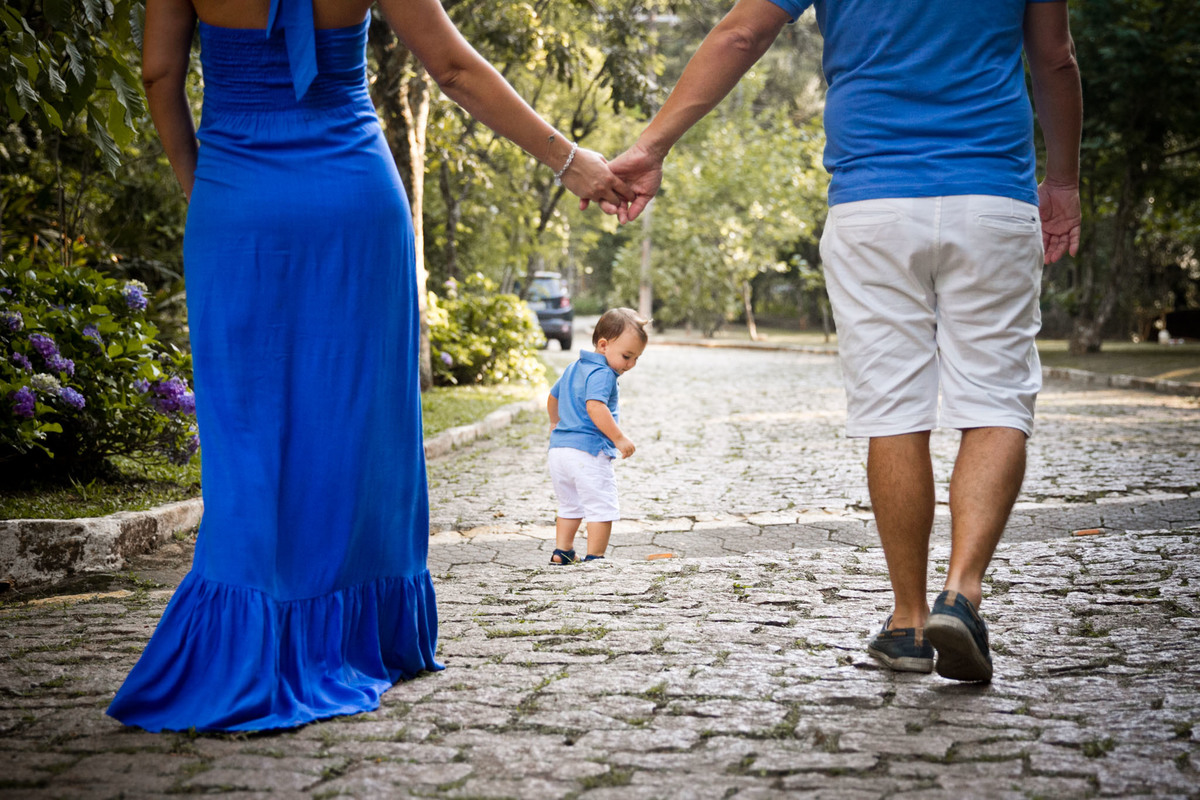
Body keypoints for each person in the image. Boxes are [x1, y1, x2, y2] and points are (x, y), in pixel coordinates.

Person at [107, 0, 632, 732]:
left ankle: (254, 631)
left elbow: (159, 72)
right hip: (352, 198)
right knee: (357, 425)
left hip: (238, 200)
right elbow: (452, 68)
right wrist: (572, 163)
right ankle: (364, 634)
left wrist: (205, 188)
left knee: (249, 428)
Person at [604, 0, 1082, 682]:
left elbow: (744, 31)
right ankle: (962, 594)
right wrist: (1061, 180)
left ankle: (910, 622)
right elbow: (1055, 58)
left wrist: (652, 145)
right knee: (997, 399)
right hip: (991, 197)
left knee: (894, 411)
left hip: (873, 204)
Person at [546, 308, 648, 564]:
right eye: (627, 356)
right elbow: (595, 406)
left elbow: (553, 396)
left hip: (559, 452)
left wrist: (554, 422)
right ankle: (596, 557)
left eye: (636, 358)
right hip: (588, 452)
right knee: (601, 505)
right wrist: (619, 438)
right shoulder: (603, 374)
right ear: (603, 345)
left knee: (570, 505)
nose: (631, 365)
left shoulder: (573, 367)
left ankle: (563, 551)